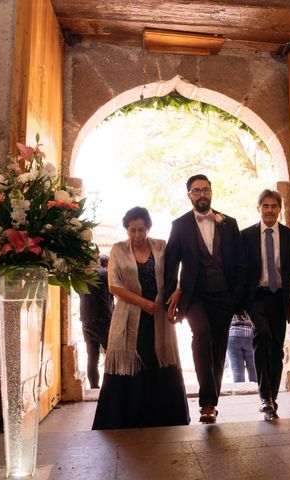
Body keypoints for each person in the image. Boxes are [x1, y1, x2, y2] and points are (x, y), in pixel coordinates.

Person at [92, 207, 189, 430]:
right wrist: (143, 303)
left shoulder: (161, 246)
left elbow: (176, 272)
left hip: (158, 317)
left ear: (148, 228)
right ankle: (127, 418)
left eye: (141, 230)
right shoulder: (117, 249)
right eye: (132, 230)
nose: (137, 235)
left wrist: (178, 291)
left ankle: (163, 417)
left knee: (158, 360)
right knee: (131, 363)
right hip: (130, 317)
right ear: (126, 229)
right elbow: (113, 285)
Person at [164, 174, 246, 424]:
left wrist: (238, 300)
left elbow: (240, 263)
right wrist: (171, 297)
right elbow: (170, 264)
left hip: (224, 295)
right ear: (189, 195)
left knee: (219, 347)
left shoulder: (228, 223)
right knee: (201, 335)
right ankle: (207, 402)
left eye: (206, 190)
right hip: (195, 295)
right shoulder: (179, 225)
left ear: (211, 192)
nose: (202, 194)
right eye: (196, 190)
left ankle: (212, 399)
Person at [241, 189, 290, 420]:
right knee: (263, 336)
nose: (270, 210)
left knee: (276, 348)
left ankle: (272, 398)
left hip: (280, 298)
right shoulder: (245, 236)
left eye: (274, 206)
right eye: (265, 206)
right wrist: (238, 306)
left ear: (280, 209)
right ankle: (263, 396)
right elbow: (239, 273)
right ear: (258, 208)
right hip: (256, 297)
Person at [78, 253, 113, 389]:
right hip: (103, 320)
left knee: (92, 357)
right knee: (111, 356)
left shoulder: (82, 276)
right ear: (107, 264)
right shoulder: (105, 275)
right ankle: (110, 387)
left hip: (86, 320)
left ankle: (94, 387)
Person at [227, 313, 257, 383]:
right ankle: (255, 391)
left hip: (233, 335)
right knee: (253, 369)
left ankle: (240, 391)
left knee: (237, 369)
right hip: (250, 335)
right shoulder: (249, 302)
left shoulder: (231, 302)